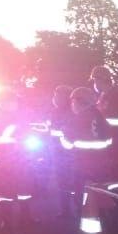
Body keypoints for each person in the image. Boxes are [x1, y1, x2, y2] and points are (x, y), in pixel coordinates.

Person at [61, 87, 113, 234]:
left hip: (83, 166)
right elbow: (109, 140)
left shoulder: (78, 119)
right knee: (102, 197)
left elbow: (69, 144)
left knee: (84, 201)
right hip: (101, 164)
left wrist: (63, 136)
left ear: (80, 102)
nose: (72, 105)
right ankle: (109, 228)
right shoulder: (100, 116)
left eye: (73, 101)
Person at [90, 65, 118, 229]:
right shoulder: (102, 96)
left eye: (95, 80)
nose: (94, 83)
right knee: (113, 180)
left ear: (102, 79)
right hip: (108, 146)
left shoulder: (116, 96)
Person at [0, 89, 38, 229]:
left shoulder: (19, 116)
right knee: (6, 192)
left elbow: (27, 132)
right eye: (13, 101)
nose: (15, 104)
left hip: (21, 158)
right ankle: (6, 221)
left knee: (24, 190)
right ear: (4, 102)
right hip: (5, 160)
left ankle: (26, 218)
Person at [48, 84, 75, 218]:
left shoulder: (71, 111)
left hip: (69, 154)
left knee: (72, 182)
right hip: (58, 153)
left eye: (58, 95)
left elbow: (66, 131)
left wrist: (52, 131)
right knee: (62, 182)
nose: (55, 98)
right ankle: (65, 210)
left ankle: (75, 209)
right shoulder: (56, 111)